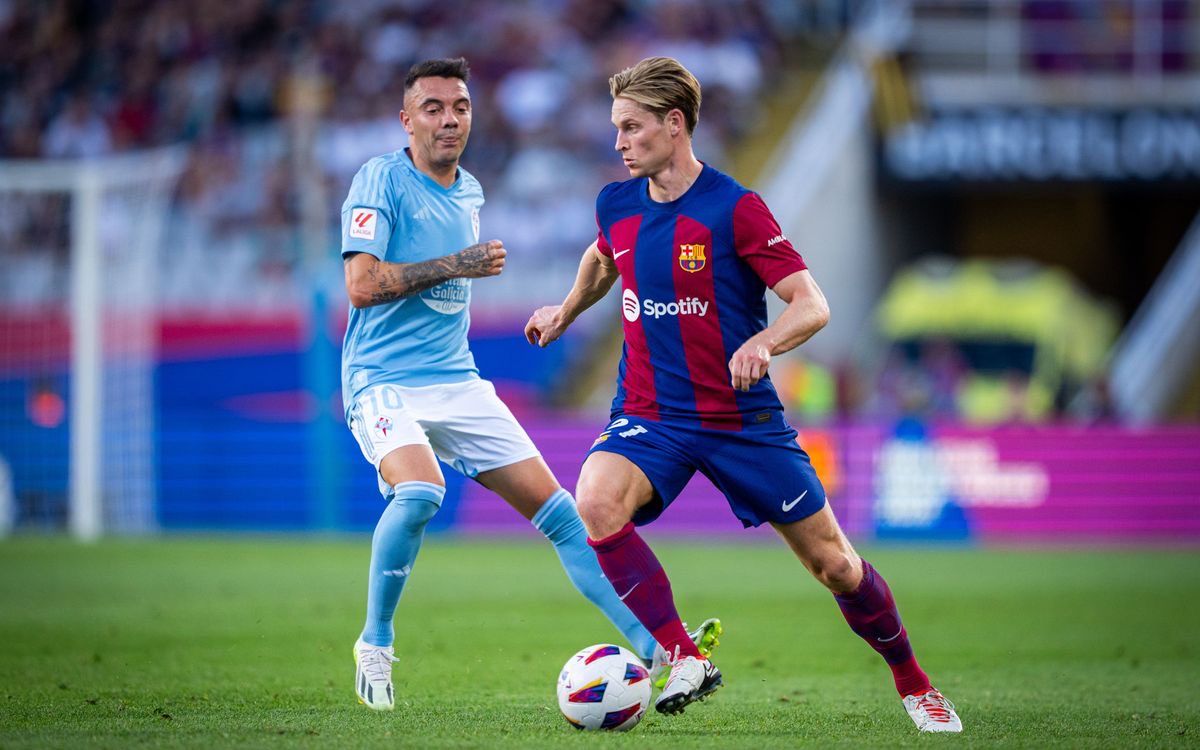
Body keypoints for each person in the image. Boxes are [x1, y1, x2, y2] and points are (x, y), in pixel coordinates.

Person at [524, 56, 962, 733]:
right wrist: (567, 309)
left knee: (835, 565)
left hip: (739, 419)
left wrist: (764, 343)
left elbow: (811, 304)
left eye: (632, 127)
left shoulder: (735, 209)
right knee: (596, 500)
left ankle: (915, 683)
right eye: (616, 128)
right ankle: (683, 656)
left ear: (675, 124)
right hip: (651, 413)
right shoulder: (617, 203)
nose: (619, 142)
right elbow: (602, 256)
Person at [338, 57, 719, 712]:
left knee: (566, 518)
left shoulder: (470, 191)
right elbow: (362, 285)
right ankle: (375, 641)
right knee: (421, 491)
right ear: (407, 121)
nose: (450, 119)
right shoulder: (380, 178)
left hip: (456, 380)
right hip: (382, 378)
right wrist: (459, 264)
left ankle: (655, 647)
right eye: (433, 108)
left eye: (460, 106)